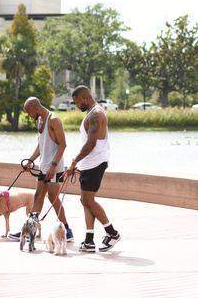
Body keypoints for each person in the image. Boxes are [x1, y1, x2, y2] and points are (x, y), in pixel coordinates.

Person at [9, 97, 74, 242]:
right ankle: (28, 231)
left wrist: (54, 165)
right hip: (44, 167)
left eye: (28, 112)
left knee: (53, 198)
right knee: (38, 196)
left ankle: (67, 230)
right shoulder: (40, 121)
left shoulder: (54, 120)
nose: (28, 115)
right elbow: (41, 145)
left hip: (53, 168)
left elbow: (63, 144)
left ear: (36, 108)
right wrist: (30, 161)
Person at [65, 85, 121, 252]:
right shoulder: (93, 113)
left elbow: (90, 144)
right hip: (89, 163)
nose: (76, 106)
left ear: (84, 98)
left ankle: (112, 233)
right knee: (85, 201)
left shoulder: (96, 114)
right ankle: (89, 240)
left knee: (88, 200)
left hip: (96, 162)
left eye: (76, 102)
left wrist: (74, 161)